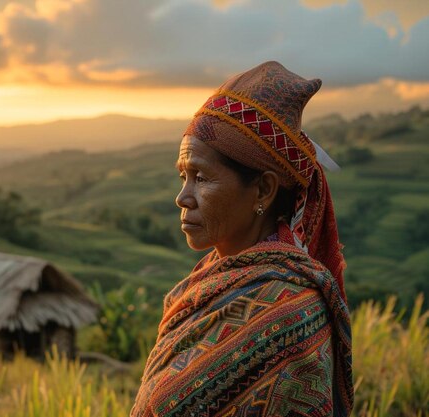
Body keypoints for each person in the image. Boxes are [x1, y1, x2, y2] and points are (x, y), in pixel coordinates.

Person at [130, 61, 353, 417]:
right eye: (183, 176)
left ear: (262, 189)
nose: (183, 197)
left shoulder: (291, 312)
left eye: (201, 178)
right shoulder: (205, 284)